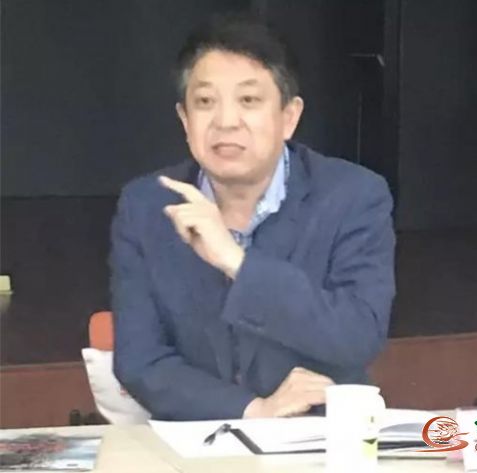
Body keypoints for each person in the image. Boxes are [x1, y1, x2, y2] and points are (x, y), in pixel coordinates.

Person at [110, 13, 396, 421]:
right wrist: (252, 410)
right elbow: (140, 360)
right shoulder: (147, 206)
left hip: (316, 435)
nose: (226, 121)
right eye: (205, 102)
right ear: (185, 120)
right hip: (197, 439)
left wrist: (238, 263)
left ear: (289, 117)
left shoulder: (352, 196)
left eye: (248, 100)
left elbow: (358, 335)